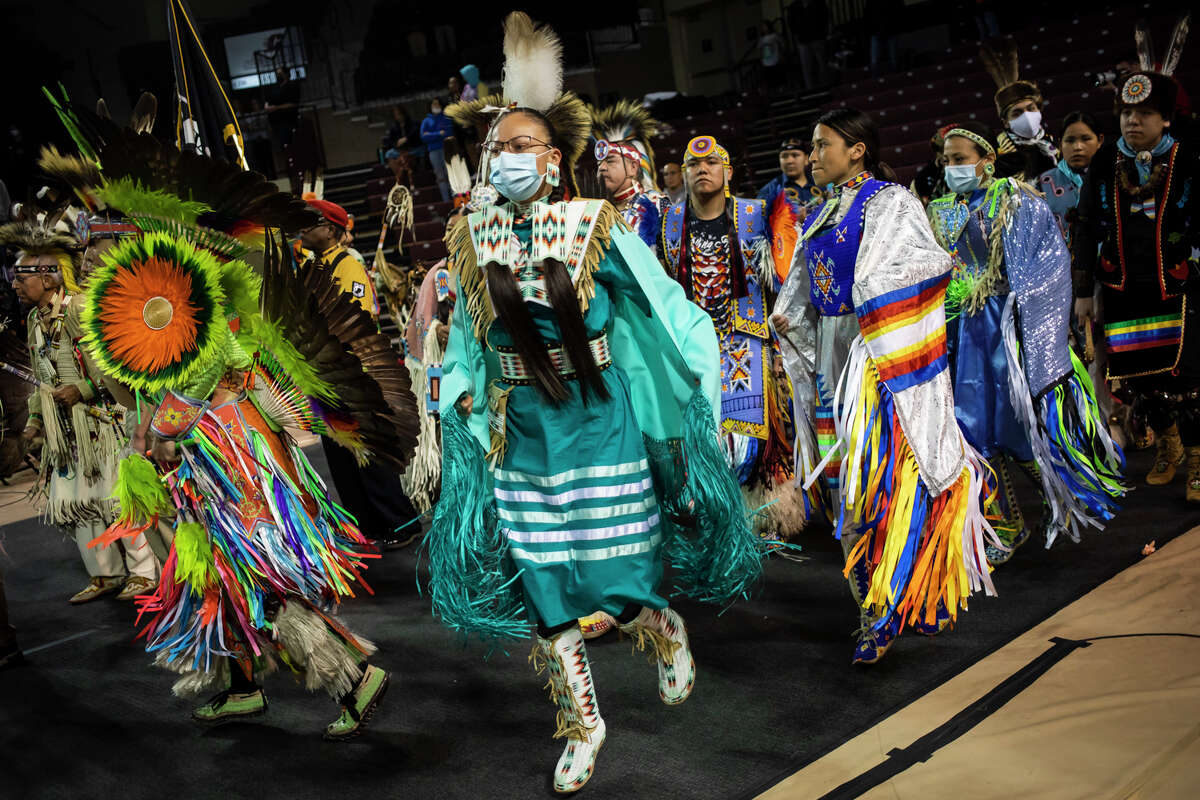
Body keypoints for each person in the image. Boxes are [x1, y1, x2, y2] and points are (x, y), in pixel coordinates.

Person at [435, 13, 765, 793]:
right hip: (524, 430)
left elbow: (663, 305)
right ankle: (586, 724)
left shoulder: (594, 225)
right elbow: (464, 345)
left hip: (598, 417)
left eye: (517, 148)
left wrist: (696, 390)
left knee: (613, 581)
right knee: (545, 583)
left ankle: (663, 626)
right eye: (496, 149)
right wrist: (454, 398)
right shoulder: (472, 237)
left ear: (552, 163)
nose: (502, 159)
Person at [63, 115, 416, 738]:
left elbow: (203, 371)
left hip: (227, 454)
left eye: (97, 246)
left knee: (248, 569)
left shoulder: (185, 283)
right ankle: (242, 686)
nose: (90, 259)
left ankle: (351, 677)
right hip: (214, 451)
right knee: (213, 570)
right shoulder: (167, 283)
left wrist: (163, 433)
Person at [771, 108, 996, 664]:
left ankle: (885, 606)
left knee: (880, 486)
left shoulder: (889, 201)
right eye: (814, 146)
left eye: (824, 145)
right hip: (831, 361)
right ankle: (872, 599)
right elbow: (803, 284)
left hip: (876, 366)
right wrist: (789, 314)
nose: (815, 154)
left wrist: (867, 302)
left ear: (857, 151)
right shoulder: (820, 212)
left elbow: (922, 267)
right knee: (844, 488)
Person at [927, 122, 1124, 563]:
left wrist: (1030, 324)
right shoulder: (939, 210)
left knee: (1020, 422)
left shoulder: (1015, 200)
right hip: (962, 331)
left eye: (960, 159)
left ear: (987, 160)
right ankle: (1006, 524)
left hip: (1007, 330)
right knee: (971, 428)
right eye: (946, 160)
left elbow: (1048, 264)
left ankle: (1063, 498)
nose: (952, 167)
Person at [0, 221, 161, 604]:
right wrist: (35, 423)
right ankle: (105, 573)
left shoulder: (80, 309)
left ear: (50, 276)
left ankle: (143, 570)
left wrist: (84, 389)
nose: (14, 285)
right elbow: (42, 375)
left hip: (102, 421)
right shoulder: (35, 320)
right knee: (78, 499)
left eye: (22, 277)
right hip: (66, 428)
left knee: (115, 496)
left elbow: (114, 367)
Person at [1074, 68, 1200, 504]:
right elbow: (1086, 224)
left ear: (1166, 119)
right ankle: (1169, 446)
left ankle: (1198, 458)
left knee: (1186, 377)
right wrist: (1083, 290)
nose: (1133, 121)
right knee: (1140, 377)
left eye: (1145, 113)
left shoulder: (1188, 158)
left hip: (1179, 285)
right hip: (1122, 286)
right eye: (1128, 112)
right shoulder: (1107, 161)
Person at [660, 136, 798, 534]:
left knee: (751, 438)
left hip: (746, 338)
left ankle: (757, 516)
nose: (702, 170)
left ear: (728, 172)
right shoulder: (670, 221)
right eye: (692, 165)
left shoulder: (756, 214)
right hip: (691, 343)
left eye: (711, 163)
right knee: (701, 432)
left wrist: (778, 339)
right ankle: (711, 515)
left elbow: (782, 280)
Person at [302, 198, 423, 548]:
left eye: (312, 223)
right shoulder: (315, 267)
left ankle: (402, 524)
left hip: (352, 372)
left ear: (331, 230)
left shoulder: (348, 264)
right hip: (325, 374)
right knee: (340, 455)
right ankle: (368, 525)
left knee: (367, 452)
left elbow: (356, 319)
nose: (304, 229)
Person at [590, 100, 667, 253]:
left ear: (633, 167)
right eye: (599, 164)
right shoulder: (595, 213)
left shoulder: (657, 204)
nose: (602, 168)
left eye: (610, 161)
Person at [979, 40, 1058, 180]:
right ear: (1005, 122)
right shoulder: (998, 155)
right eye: (1017, 113)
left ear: (1039, 111)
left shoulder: (1052, 143)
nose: (1027, 116)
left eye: (1031, 109)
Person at [1038, 112, 1105, 245]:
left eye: (1086, 139)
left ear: (1100, 140)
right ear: (1060, 144)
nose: (1077, 147)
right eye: (1070, 140)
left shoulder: (1114, 176)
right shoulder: (1042, 184)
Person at [756, 137, 822, 222]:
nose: (789, 161)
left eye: (795, 155)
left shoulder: (820, 184)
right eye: (784, 156)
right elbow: (758, 221)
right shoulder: (769, 191)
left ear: (806, 159)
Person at [420, 99, 455, 202]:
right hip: (433, 152)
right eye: (434, 104)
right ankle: (446, 200)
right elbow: (423, 137)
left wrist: (431, 135)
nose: (436, 106)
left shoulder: (446, 118)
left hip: (446, 149)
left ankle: (454, 198)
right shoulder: (426, 121)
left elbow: (448, 133)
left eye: (438, 104)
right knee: (440, 176)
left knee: (450, 174)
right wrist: (439, 133)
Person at [792, 0, 830, 90]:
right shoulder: (795, 6)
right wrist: (796, 34)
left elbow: (825, 16)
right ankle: (811, 90)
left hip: (817, 37)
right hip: (803, 40)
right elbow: (791, 22)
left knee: (822, 64)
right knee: (807, 68)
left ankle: (825, 87)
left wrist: (823, 32)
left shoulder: (818, 3)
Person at [264, 66, 301, 155]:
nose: (278, 76)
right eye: (277, 74)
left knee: (290, 146)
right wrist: (267, 106)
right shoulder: (275, 87)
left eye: (280, 74)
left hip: (288, 120)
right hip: (275, 122)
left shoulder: (292, 86)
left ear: (286, 74)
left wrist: (276, 108)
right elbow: (268, 100)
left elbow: (294, 103)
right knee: (280, 148)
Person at [757, 21, 784, 91]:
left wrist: (781, 54)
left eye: (765, 26)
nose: (764, 29)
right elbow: (760, 49)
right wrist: (761, 59)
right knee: (770, 78)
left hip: (775, 59)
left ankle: (780, 88)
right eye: (763, 27)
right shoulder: (761, 39)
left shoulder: (775, 36)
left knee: (778, 75)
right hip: (766, 61)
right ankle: (773, 90)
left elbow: (781, 44)